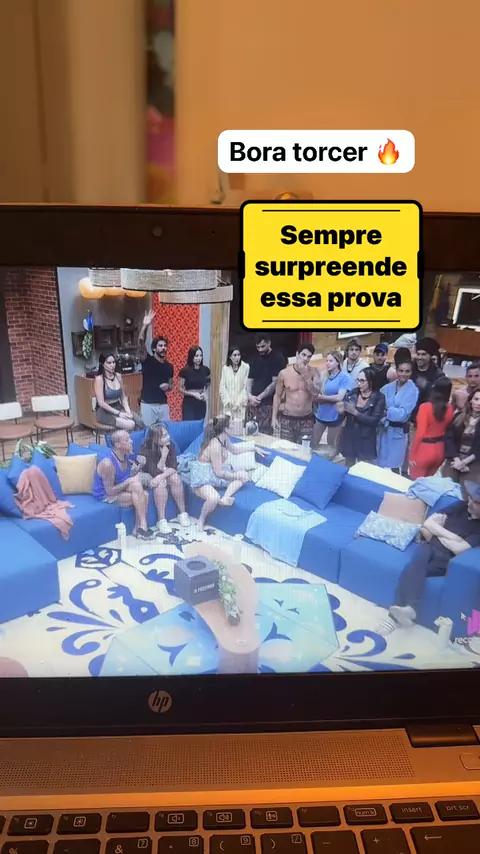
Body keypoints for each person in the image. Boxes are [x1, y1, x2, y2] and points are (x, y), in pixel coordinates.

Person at [378, 481, 480, 635]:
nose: (470, 502)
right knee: (421, 555)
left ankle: (396, 616)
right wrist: (453, 537)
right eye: (471, 498)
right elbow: (428, 523)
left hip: (446, 560)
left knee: (411, 569)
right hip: (429, 548)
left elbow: (459, 549)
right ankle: (408, 610)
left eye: (476, 502)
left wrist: (438, 532)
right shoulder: (461, 505)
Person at [191, 415, 267, 531]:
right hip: (204, 475)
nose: (233, 426)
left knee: (243, 477)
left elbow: (235, 450)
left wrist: (253, 448)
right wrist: (236, 475)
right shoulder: (215, 445)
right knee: (214, 498)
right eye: (231, 424)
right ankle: (201, 519)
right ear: (225, 429)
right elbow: (218, 473)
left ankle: (225, 497)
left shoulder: (224, 439)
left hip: (215, 472)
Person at [92, 429, 155, 540]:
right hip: (106, 495)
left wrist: (140, 464)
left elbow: (129, 475)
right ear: (118, 445)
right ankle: (141, 528)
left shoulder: (127, 454)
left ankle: (139, 528)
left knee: (139, 488)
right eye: (127, 440)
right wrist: (129, 481)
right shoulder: (108, 464)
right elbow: (110, 491)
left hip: (120, 487)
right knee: (143, 495)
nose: (131, 441)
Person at [138, 424, 190, 534]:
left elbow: (173, 467)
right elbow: (155, 471)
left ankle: (182, 513)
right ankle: (161, 520)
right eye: (164, 436)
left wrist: (161, 476)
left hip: (162, 473)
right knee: (160, 484)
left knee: (175, 478)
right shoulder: (146, 448)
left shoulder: (170, 445)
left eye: (167, 434)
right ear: (155, 439)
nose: (168, 437)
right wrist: (164, 456)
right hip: (148, 474)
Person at [271, 342, 319, 445]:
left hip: (306, 419)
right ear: (297, 354)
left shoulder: (314, 372)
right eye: (303, 355)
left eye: (309, 356)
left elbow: (316, 393)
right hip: (288, 418)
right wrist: (274, 417)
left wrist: (305, 375)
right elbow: (277, 396)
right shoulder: (284, 373)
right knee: (286, 449)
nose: (305, 359)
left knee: (305, 450)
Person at [376, 358, 419, 471]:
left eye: (407, 371)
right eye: (401, 371)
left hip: (398, 432)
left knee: (394, 465)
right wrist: (389, 411)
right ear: (396, 371)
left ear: (411, 372)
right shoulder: (387, 388)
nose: (403, 374)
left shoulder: (413, 391)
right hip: (383, 430)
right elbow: (378, 405)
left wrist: (387, 411)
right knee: (379, 464)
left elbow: (402, 415)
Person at [337, 367, 385, 466]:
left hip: (366, 440)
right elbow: (343, 416)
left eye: (362, 381)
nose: (359, 383)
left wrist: (356, 413)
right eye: (358, 380)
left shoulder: (379, 397)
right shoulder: (352, 393)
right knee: (348, 467)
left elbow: (374, 421)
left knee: (364, 469)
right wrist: (341, 412)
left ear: (371, 381)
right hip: (350, 437)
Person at [408, 377, 454, 479]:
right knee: (428, 483)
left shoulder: (425, 407)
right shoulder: (450, 408)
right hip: (440, 450)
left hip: (424, 450)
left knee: (415, 483)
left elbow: (420, 434)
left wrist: (412, 456)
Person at [137, 310, 174, 426]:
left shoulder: (169, 366)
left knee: (165, 432)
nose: (163, 348)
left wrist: (168, 387)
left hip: (163, 405)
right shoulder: (147, 360)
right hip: (148, 405)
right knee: (148, 433)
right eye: (160, 346)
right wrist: (145, 326)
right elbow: (140, 343)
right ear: (154, 349)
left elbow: (171, 385)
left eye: (165, 346)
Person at [312, 350, 353, 451]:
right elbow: (318, 393)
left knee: (331, 446)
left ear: (338, 362)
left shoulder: (344, 377)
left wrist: (322, 398)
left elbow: (339, 397)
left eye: (331, 361)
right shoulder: (324, 376)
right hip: (321, 414)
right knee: (313, 443)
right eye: (327, 361)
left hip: (335, 416)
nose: (327, 363)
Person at [246, 333, 287, 435]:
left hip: (268, 403)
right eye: (258, 347)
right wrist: (250, 396)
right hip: (253, 403)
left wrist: (260, 397)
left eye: (263, 346)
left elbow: (274, 383)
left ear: (269, 343)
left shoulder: (278, 358)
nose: (260, 350)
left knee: (264, 434)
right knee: (249, 432)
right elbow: (249, 380)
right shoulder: (255, 359)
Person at [444, 389, 480, 491]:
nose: (479, 403)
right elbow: (449, 438)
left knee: (466, 493)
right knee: (446, 489)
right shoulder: (458, 417)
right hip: (454, 459)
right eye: (476, 399)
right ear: (470, 400)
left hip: (474, 462)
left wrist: (464, 463)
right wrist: (457, 460)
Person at [94, 353, 140, 432]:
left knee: (138, 420)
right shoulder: (99, 379)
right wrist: (119, 414)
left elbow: (123, 397)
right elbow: (101, 403)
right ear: (103, 364)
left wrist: (128, 412)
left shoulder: (118, 376)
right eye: (109, 363)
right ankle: (120, 438)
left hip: (118, 407)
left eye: (114, 362)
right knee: (131, 424)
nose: (112, 365)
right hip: (105, 412)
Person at [411, 337, 444, 414]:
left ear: (430, 356)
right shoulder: (409, 369)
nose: (420, 357)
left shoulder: (438, 375)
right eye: (418, 354)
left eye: (424, 354)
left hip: (425, 412)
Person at [178, 346, 211, 421]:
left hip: (201, 402)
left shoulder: (206, 370)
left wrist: (204, 392)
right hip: (189, 402)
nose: (199, 358)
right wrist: (193, 394)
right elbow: (180, 389)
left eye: (200, 355)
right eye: (196, 356)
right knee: (189, 424)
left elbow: (208, 383)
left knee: (199, 423)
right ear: (191, 356)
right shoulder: (185, 371)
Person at [219, 347, 249, 426]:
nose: (237, 358)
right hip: (228, 406)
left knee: (238, 428)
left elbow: (246, 387)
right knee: (228, 427)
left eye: (238, 355)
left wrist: (238, 403)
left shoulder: (246, 367)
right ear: (230, 356)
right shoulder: (225, 369)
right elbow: (222, 387)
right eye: (234, 355)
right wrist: (228, 401)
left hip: (240, 406)